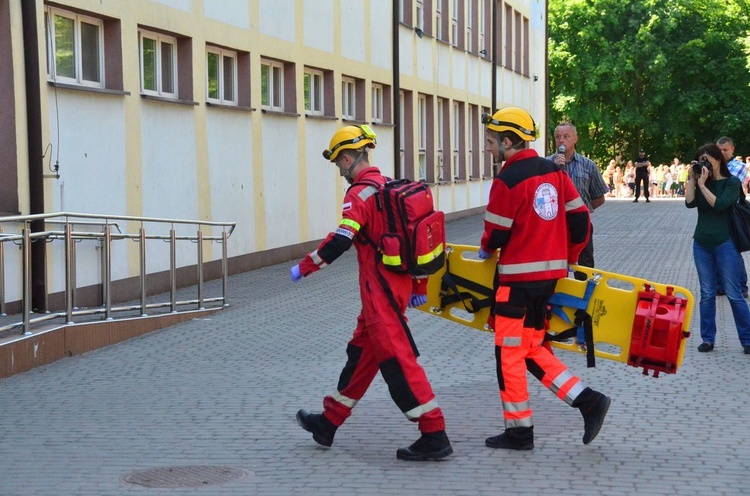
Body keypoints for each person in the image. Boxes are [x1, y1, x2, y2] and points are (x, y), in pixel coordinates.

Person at [291, 125, 453, 461]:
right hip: (396, 286)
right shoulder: (389, 185)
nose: (340, 171)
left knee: (398, 361)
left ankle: (434, 432)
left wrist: (306, 266)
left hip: (378, 290)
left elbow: (341, 240)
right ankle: (328, 422)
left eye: (339, 164)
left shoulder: (358, 195)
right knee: (362, 355)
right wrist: (419, 285)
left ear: (348, 158)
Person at [478, 106, 611, 450]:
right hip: (548, 281)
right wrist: (568, 258)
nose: (488, 148)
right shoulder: (555, 172)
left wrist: (484, 249)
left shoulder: (507, 180)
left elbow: (495, 235)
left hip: (516, 287)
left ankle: (519, 433)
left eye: (491, 141)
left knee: (508, 355)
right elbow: (582, 220)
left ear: (508, 142)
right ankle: (588, 401)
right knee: (531, 348)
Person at [685, 143, 750, 355]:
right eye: (700, 160)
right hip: (701, 243)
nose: (704, 164)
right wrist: (691, 180)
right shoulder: (701, 181)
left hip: (725, 243)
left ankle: (747, 339)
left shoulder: (731, 183)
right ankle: (708, 339)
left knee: (733, 293)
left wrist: (703, 185)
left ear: (718, 161)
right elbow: (689, 203)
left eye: (707, 160)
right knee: (706, 293)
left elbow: (720, 205)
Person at [547, 122, 608, 267]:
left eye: (566, 136)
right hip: (553, 226)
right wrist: (554, 169)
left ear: (575, 139)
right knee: (555, 266)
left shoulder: (588, 165)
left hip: (580, 225)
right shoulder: (545, 164)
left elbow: (599, 197)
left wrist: (581, 210)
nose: (561, 140)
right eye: (558, 137)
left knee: (584, 267)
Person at [716, 136, 748, 298]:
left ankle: (742, 286)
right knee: (714, 249)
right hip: (715, 214)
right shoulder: (716, 166)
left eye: (725, 150)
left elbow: (726, 186)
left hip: (731, 214)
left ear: (732, 149)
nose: (721, 153)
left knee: (733, 251)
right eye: (719, 150)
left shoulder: (740, 166)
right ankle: (720, 285)